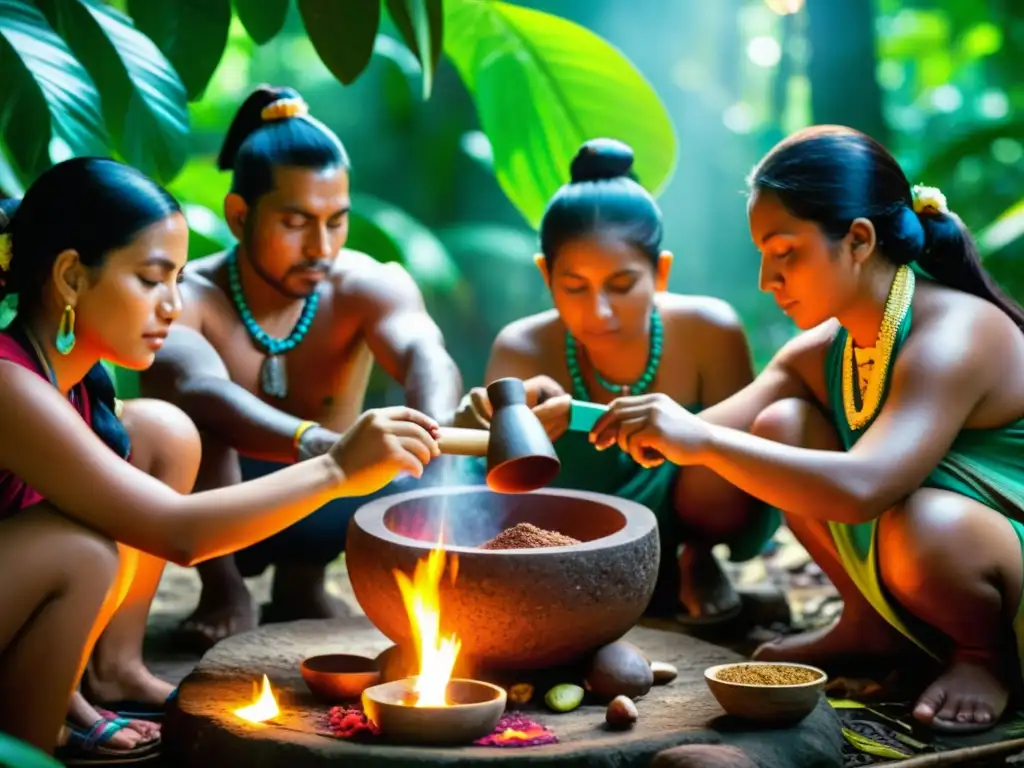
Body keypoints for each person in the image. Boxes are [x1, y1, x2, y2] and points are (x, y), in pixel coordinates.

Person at [590, 125, 1024, 733]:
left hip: (994, 561)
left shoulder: (956, 334)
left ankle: (984, 656)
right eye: (762, 257)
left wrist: (700, 441)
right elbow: (688, 433)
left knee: (926, 523)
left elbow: (864, 487)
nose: (768, 280)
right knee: (780, 426)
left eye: (784, 251)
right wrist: (569, 422)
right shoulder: (827, 348)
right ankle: (869, 625)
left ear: (858, 240)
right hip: (927, 554)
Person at [0, 157, 440, 756]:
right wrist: (336, 469)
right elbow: (177, 534)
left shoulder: (73, 381)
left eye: (179, 279)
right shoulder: (9, 383)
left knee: (163, 432)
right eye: (152, 280)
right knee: (80, 553)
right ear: (72, 278)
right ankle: (31, 740)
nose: (173, 305)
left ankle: (111, 672)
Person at [140, 85, 462, 652]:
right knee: (196, 423)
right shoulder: (187, 298)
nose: (321, 246)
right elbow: (200, 388)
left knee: (416, 454)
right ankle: (224, 590)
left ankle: (302, 581)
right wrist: (321, 447)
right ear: (239, 216)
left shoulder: (367, 283)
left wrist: (431, 434)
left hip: (332, 507)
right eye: (295, 222)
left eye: (336, 221)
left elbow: (424, 353)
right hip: (223, 512)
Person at [454, 138, 772, 623]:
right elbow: (506, 483)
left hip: (692, 514)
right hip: (567, 525)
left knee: (717, 448)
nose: (598, 311)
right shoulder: (521, 347)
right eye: (574, 287)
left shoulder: (709, 330)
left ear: (660, 272)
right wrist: (486, 424)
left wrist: (581, 416)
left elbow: (737, 448)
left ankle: (697, 559)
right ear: (546, 275)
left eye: (622, 285)